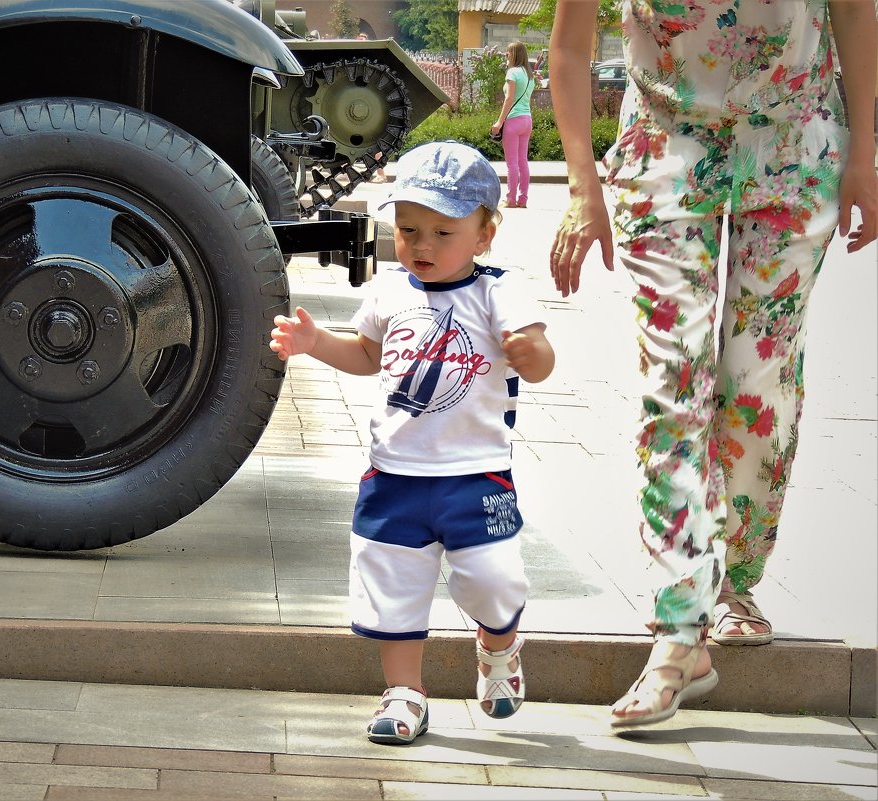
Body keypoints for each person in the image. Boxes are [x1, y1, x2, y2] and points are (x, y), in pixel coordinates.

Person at [548, 0, 876, 729]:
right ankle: (680, 621)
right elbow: (570, 50)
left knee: (757, 386)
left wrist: (864, 156)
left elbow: (855, 10)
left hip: (793, 143)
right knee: (675, 384)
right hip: (664, 148)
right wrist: (581, 192)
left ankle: (737, 581)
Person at [270, 141, 555, 744]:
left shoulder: (499, 292)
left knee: (494, 579)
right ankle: (404, 693)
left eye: (443, 232)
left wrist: (533, 356)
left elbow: (539, 357)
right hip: (392, 475)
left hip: (474, 474)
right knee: (393, 588)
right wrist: (317, 343)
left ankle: (498, 647)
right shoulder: (391, 291)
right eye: (407, 230)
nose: (422, 245)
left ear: (484, 234)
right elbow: (369, 355)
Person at [490, 42, 537, 209]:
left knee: (512, 163)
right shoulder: (529, 75)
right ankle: (522, 199)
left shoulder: (512, 72)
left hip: (513, 121)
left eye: (508, 52)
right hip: (527, 120)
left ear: (515, 54)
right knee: (522, 161)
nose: (506, 55)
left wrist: (499, 121)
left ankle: (510, 199)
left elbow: (509, 99)